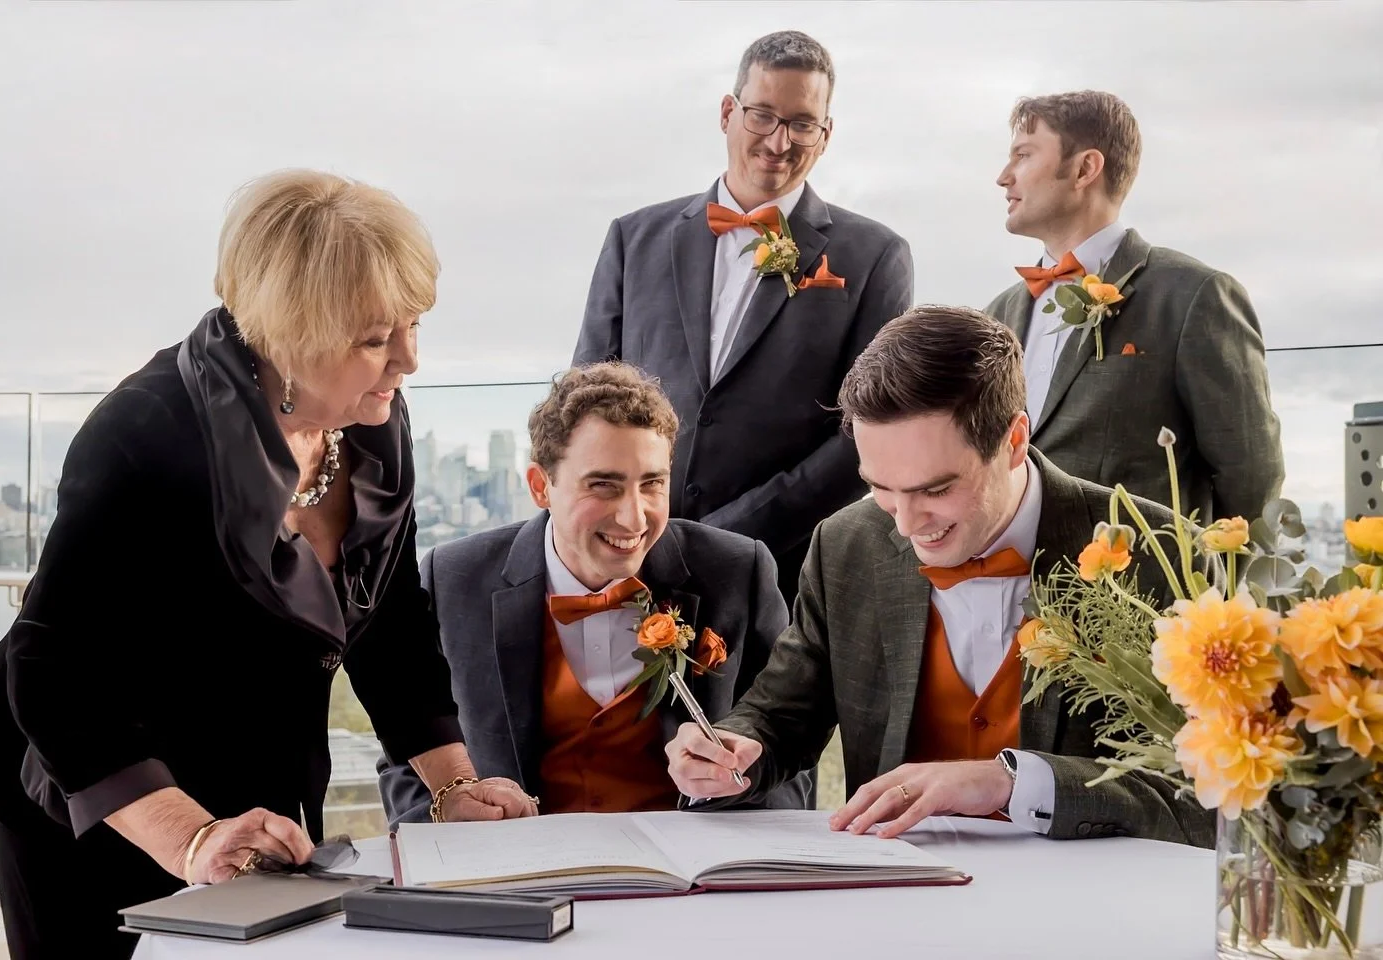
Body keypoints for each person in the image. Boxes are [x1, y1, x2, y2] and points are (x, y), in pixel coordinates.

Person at [0, 170, 536, 958]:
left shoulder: (371, 419)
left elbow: (390, 617)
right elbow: (54, 670)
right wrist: (191, 838)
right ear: (293, 333)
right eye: (374, 338)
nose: (408, 360)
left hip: (252, 773)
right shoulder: (144, 430)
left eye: (413, 326)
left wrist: (454, 787)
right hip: (92, 777)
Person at [665, 306, 1213, 847]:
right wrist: (729, 752)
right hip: (898, 899)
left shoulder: (1161, 556)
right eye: (879, 486)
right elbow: (783, 717)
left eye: (934, 490)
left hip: (1099, 907)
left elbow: (1206, 797)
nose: (904, 524)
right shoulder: (844, 545)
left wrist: (1013, 783)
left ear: (1014, 440)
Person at [379, 363, 810, 824]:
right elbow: (407, 758)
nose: (633, 518)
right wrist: (452, 824)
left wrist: (735, 783)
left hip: (690, 878)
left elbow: (785, 753)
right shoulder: (454, 578)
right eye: (603, 485)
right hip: (526, 875)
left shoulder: (737, 570)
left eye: (652, 484)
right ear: (541, 486)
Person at [574, 30, 913, 607]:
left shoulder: (875, 255)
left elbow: (867, 432)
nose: (779, 142)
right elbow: (585, 397)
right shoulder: (634, 238)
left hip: (780, 573)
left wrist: (724, 537)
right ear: (729, 113)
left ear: (825, 135)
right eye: (762, 115)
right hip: (626, 557)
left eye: (803, 123)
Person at [984, 90, 1283, 524]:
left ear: (1085, 168)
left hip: (1145, 586)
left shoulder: (1193, 295)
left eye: (1023, 156)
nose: (1004, 176)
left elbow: (1252, 479)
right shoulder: (997, 315)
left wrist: (1218, 589)